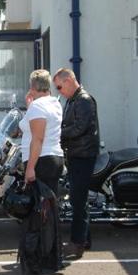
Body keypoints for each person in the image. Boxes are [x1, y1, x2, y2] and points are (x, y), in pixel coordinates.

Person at [53, 68, 100, 259]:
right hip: (76, 154)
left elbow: (79, 128)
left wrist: (57, 133)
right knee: (79, 200)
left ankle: (77, 244)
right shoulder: (73, 100)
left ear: (68, 81)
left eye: (59, 87)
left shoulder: (84, 100)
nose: (58, 91)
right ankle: (84, 239)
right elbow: (69, 124)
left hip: (83, 156)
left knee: (78, 201)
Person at [20, 70, 65, 196]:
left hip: (40, 161)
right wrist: (30, 104)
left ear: (32, 87)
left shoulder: (37, 106)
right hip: (54, 158)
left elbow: (38, 139)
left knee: (38, 205)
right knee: (49, 203)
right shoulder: (54, 103)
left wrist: (30, 168)